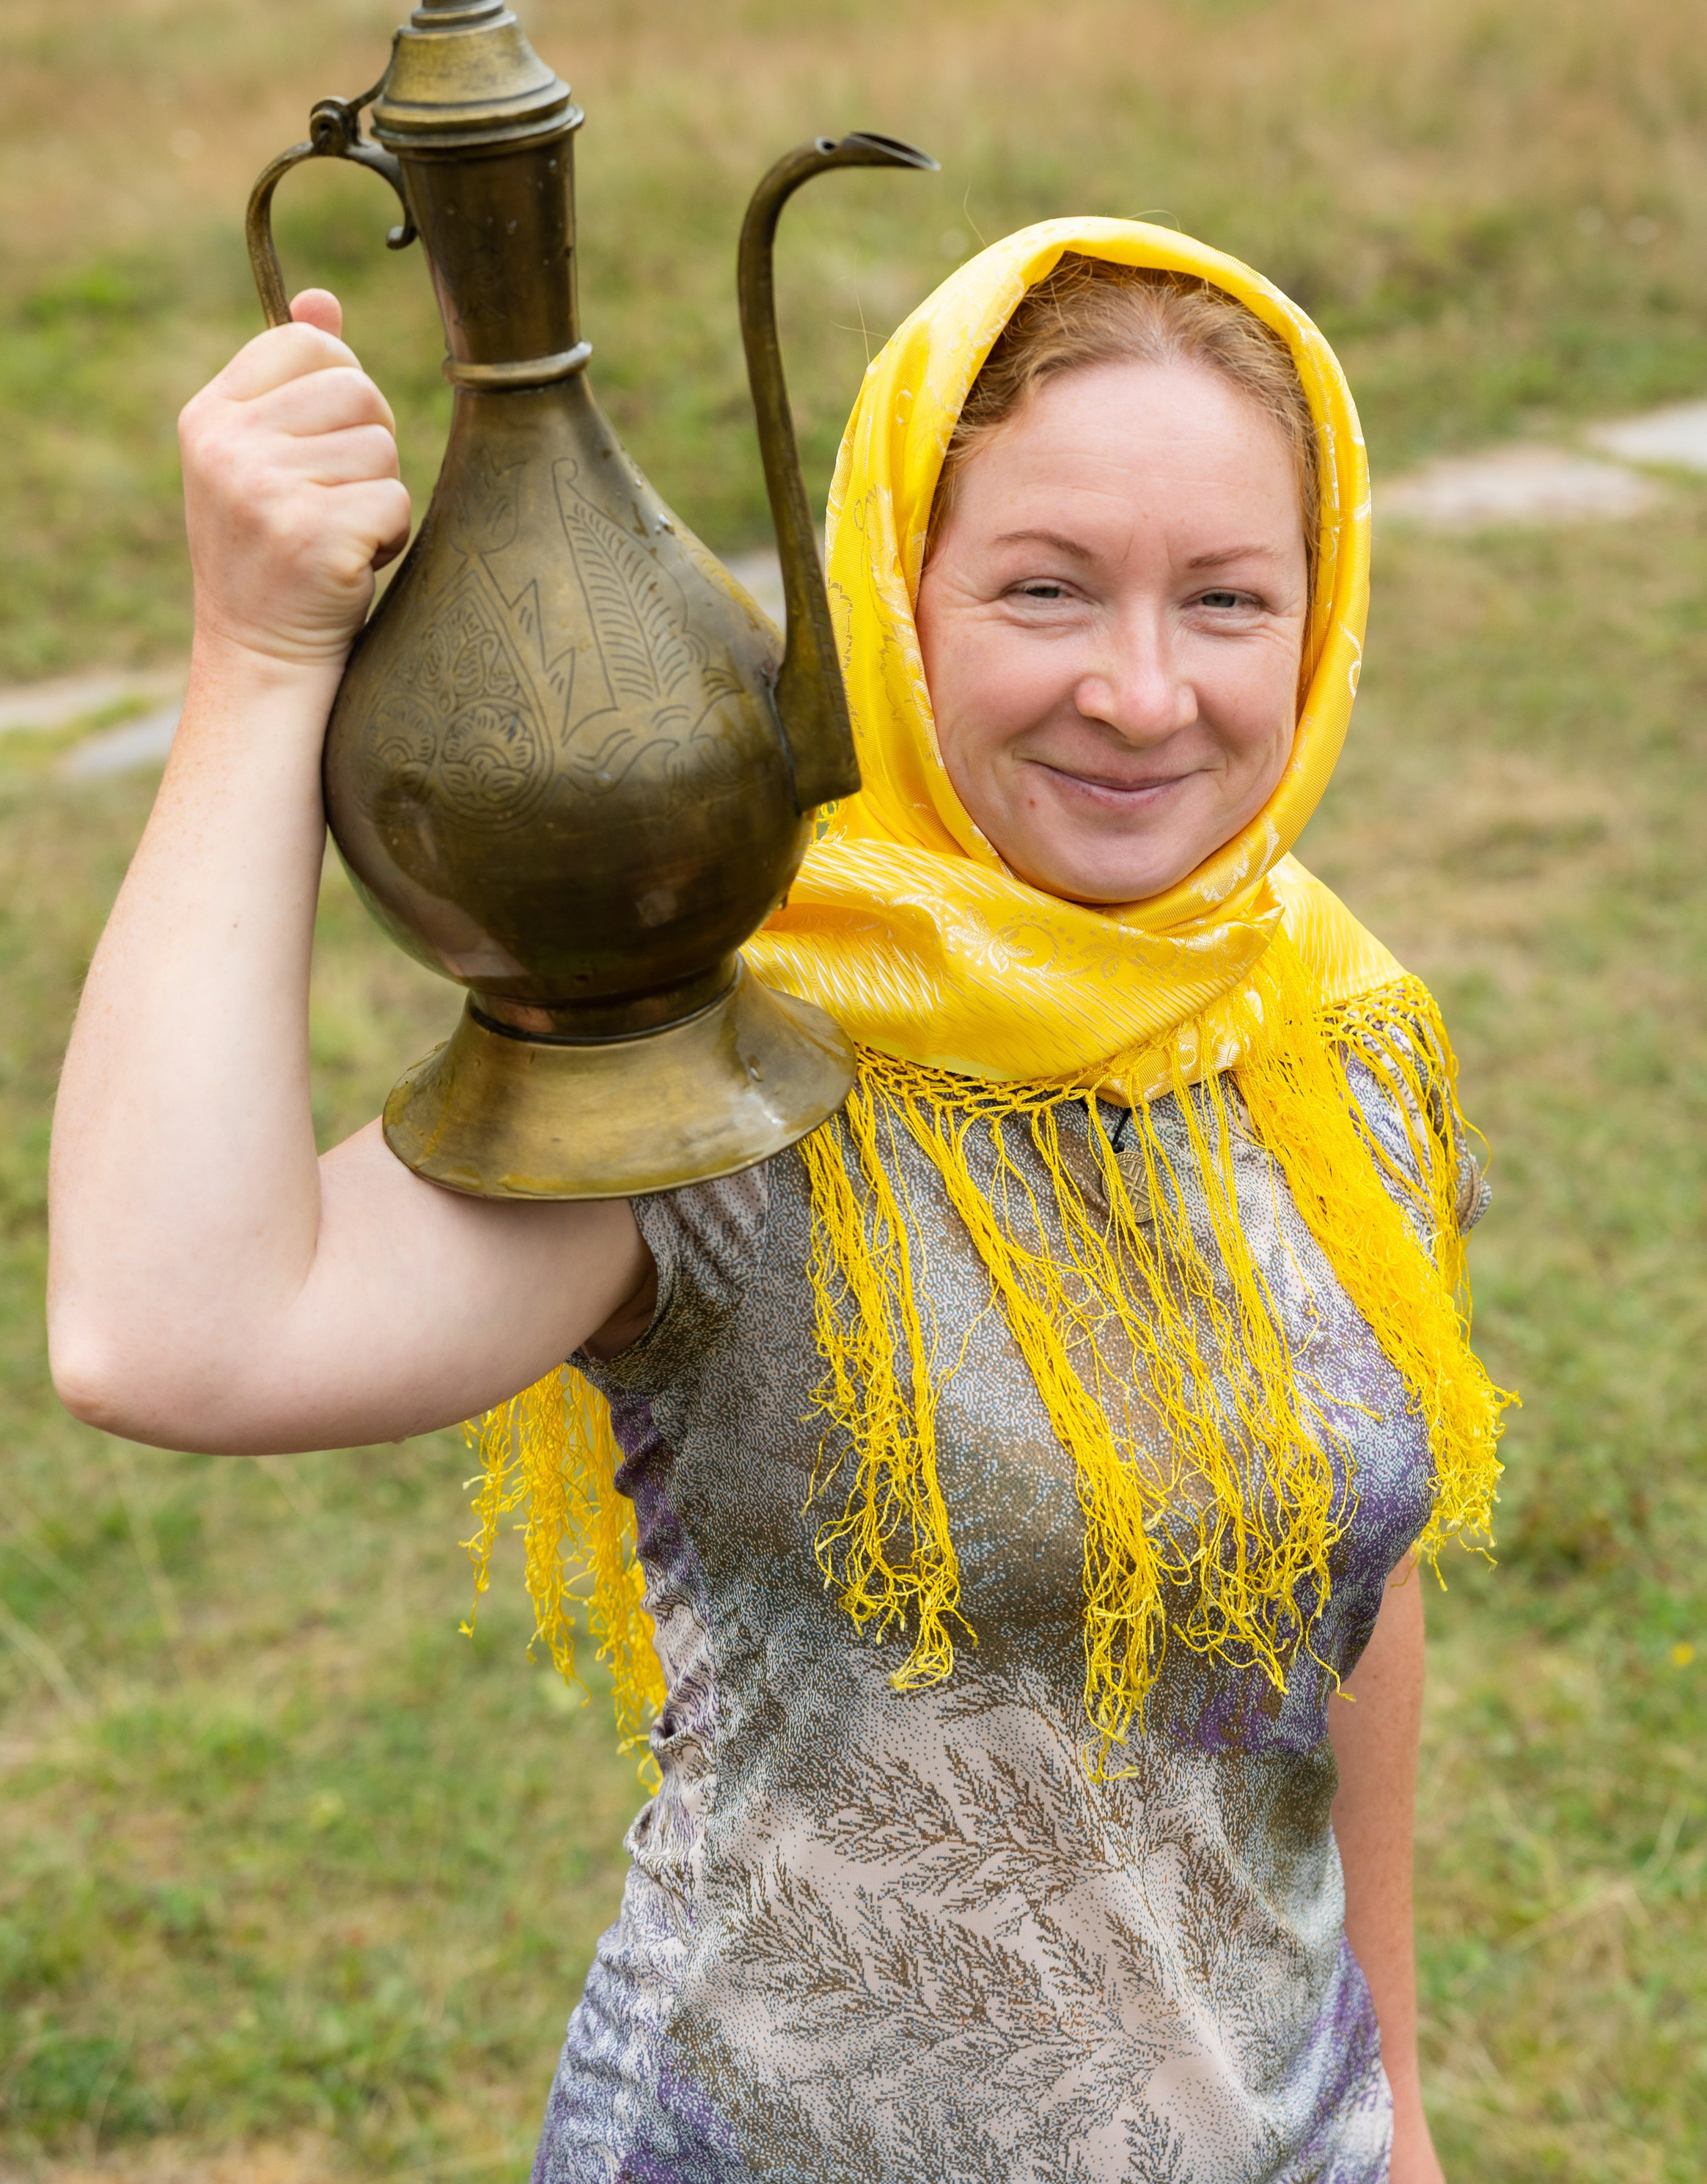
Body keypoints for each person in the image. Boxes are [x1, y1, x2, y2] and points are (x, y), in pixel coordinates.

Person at [48, 217, 1505, 2184]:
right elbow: (169, 1330)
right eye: (1047, 589)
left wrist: (1398, 2111)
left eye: (1229, 599)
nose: (1145, 694)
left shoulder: (1333, 1045)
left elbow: (1341, 1598)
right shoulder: (725, 1080)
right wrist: (258, 663)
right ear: (889, 603)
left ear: (1322, 623)